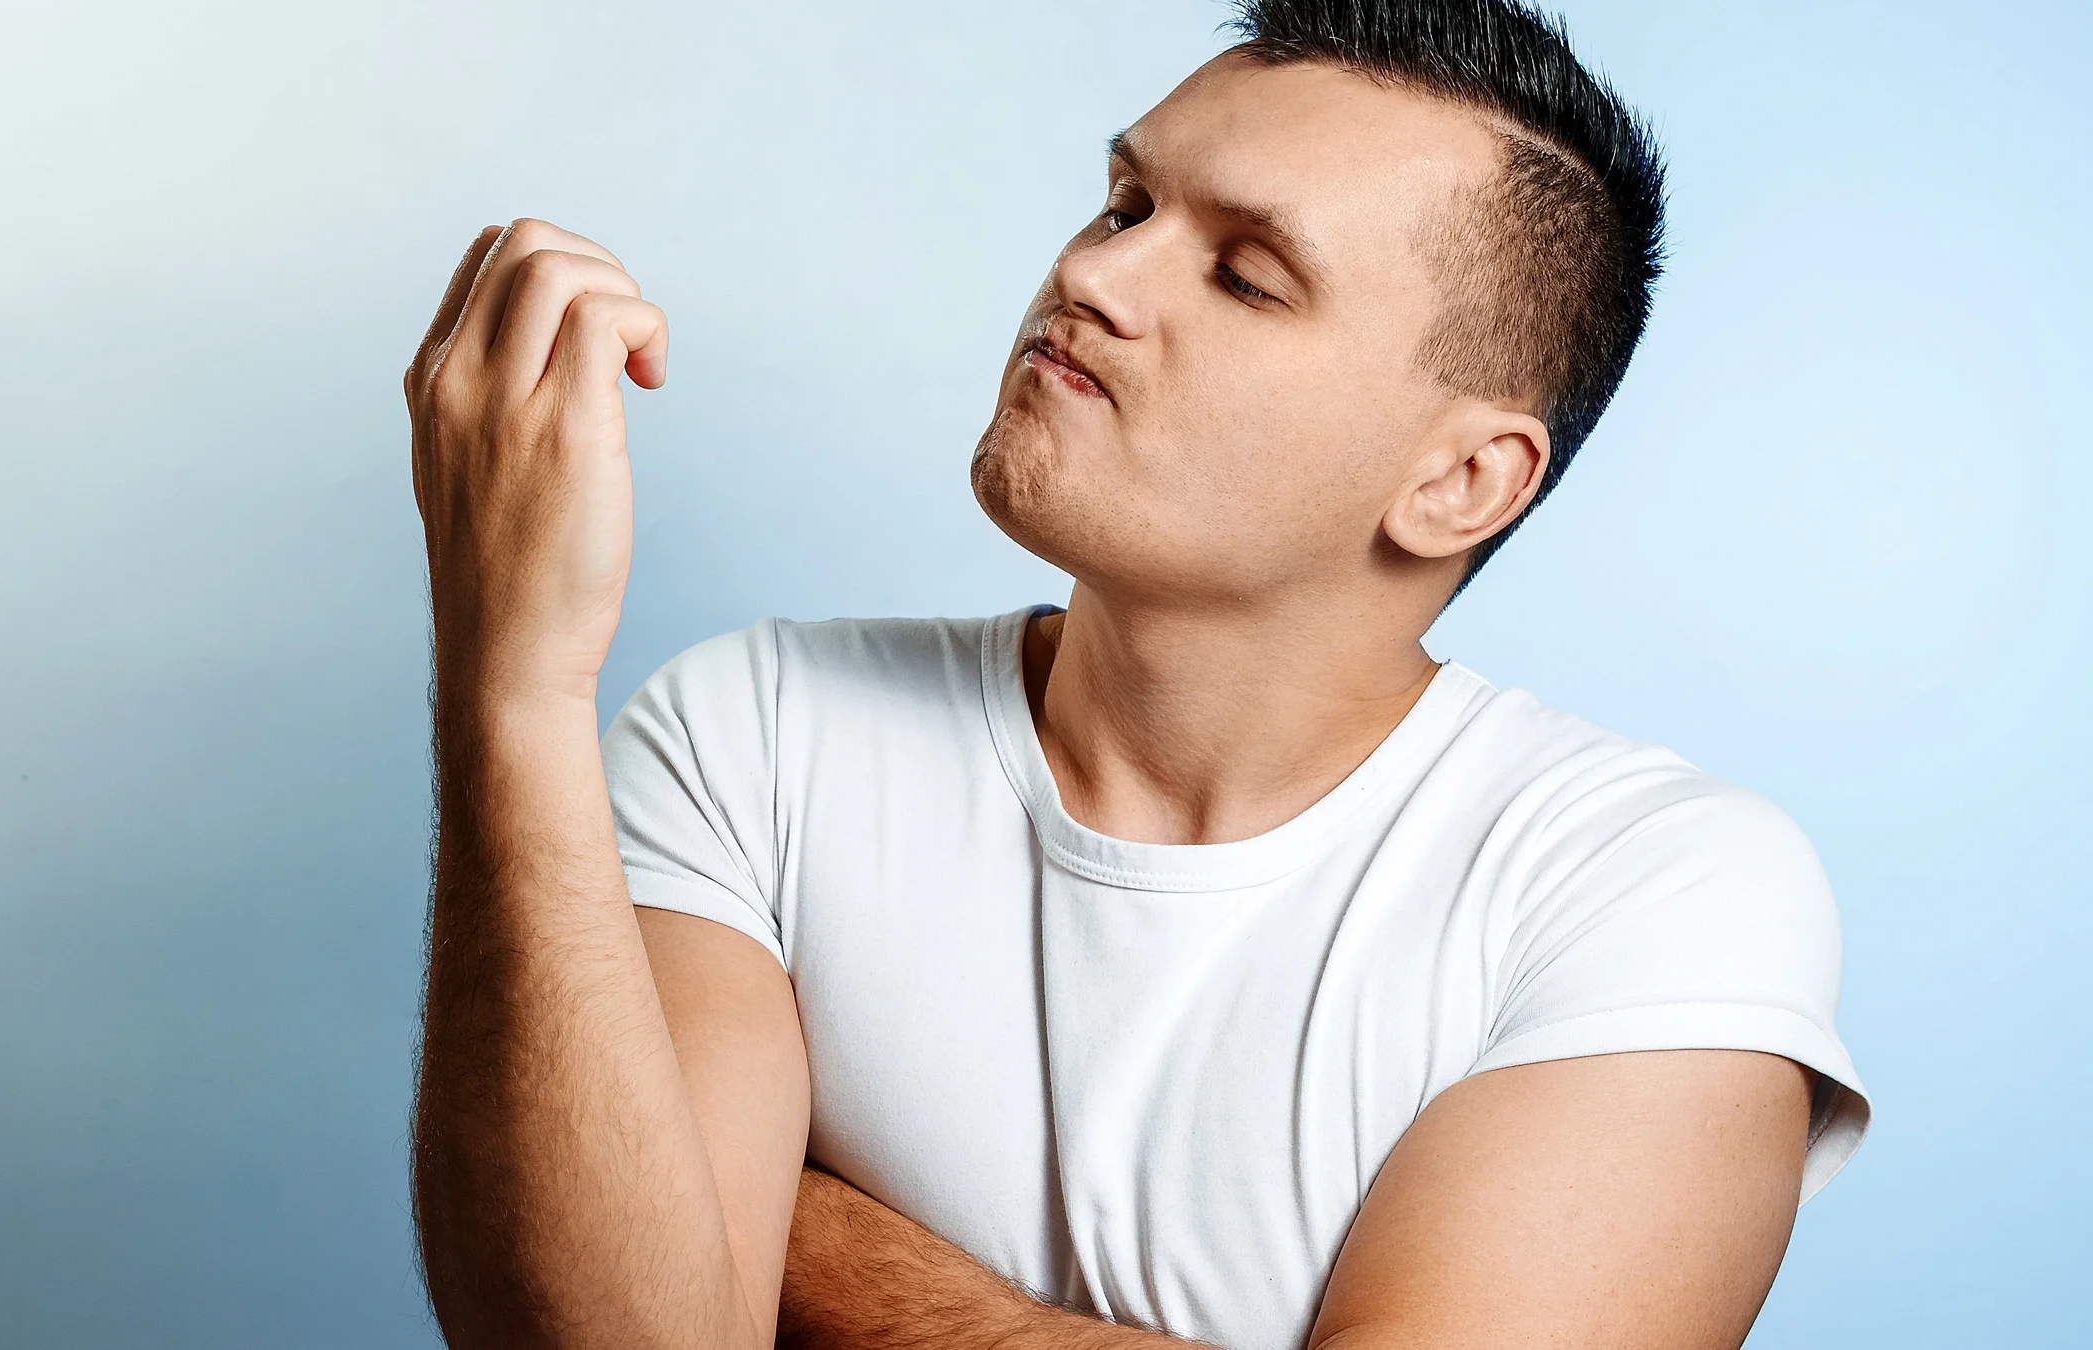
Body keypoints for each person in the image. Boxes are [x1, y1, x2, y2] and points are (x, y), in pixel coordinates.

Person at [401, 1, 1871, 1346]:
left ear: (1461, 479)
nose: (1093, 273)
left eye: (1245, 275)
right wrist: (514, 677)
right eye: (1124, 200)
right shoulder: (758, 734)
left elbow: (692, 1291)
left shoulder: (1649, 887)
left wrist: (787, 1228)